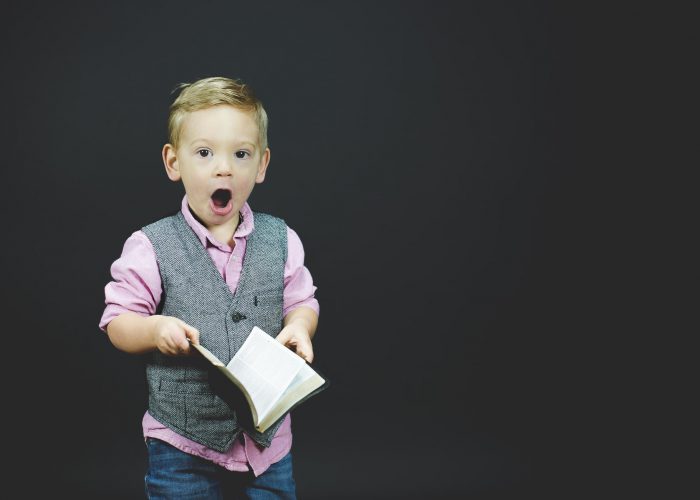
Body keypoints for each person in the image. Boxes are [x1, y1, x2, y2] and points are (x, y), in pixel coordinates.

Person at [99, 76, 319, 499]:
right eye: (204, 153)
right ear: (173, 162)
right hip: (182, 442)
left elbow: (302, 300)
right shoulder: (150, 246)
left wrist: (300, 326)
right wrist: (154, 329)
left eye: (241, 154)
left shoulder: (282, 239)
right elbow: (117, 322)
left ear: (262, 165)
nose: (224, 167)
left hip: (267, 444)